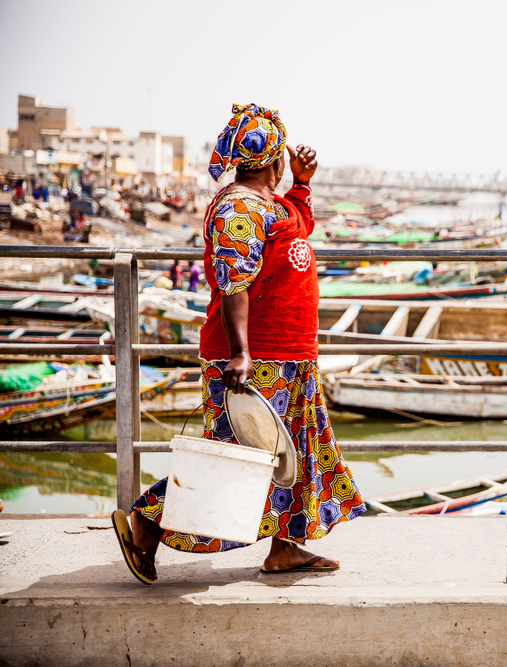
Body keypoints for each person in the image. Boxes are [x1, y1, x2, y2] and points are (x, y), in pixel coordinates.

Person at [112, 103, 365, 584]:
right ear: (273, 160)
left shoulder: (271, 205)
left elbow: (298, 228)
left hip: (291, 355)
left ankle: (286, 546)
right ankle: (145, 526)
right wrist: (241, 352)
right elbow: (234, 284)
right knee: (236, 458)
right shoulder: (237, 207)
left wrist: (304, 182)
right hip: (258, 357)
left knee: (295, 454)